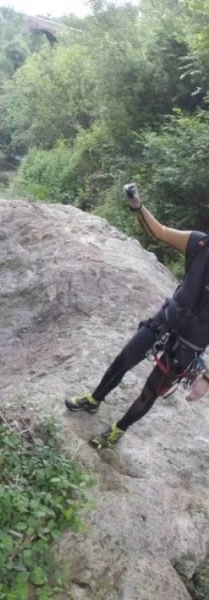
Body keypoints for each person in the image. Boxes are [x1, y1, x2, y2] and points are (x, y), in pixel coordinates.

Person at [65, 183, 209, 448]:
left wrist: (206, 379)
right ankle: (94, 400)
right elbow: (160, 232)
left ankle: (119, 429)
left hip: (189, 345)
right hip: (166, 321)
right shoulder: (200, 244)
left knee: (150, 392)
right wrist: (137, 205)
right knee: (123, 360)